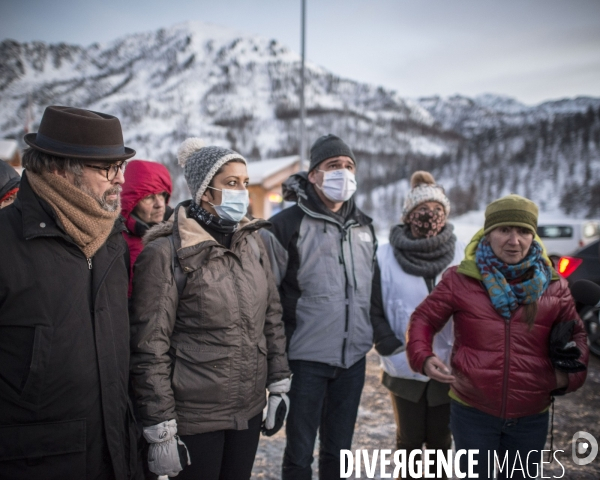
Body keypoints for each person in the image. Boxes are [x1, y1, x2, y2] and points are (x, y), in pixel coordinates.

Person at [129, 138, 291, 480]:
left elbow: (271, 319)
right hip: (195, 416)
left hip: (247, 409)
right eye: (231, 183)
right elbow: (149, 345)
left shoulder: (252, 242)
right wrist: (159, 422)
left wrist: (278, 382)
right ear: (205, 192)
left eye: (245, 183)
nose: (242, 192)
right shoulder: (166, 253)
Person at [0, 106, 139, 479]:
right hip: (34, 459)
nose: (121, 179)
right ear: (60, 169)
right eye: (108, 168)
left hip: (115, 451)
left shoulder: (112, 240)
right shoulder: (5, 240)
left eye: (120, 166)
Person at [406, 194, 589, 479]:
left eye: (524, 231)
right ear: (488, 233)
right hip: (472, 413)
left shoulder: (554, 286)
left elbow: (577, 333)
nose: (514, 240)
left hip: (531, 416)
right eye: (505, 230)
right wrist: (423, 357)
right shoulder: (460, 279)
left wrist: (568, 377)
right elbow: (423, 319)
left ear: (533, 236)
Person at [260, 134, 377, 480]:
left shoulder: (365, 227)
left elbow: (373, 292)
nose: (343, 172)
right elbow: (268, 299)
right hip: (306, 359)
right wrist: (275, 361)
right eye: (333, 166)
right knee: (299, 454)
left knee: (339, 453)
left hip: (353, 360)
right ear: (313, 175)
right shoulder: (285, 226)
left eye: (349, 166)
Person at [370, 171, 463, 479]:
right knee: (408, 443)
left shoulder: (461, 255)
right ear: (408, 215)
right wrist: (393, 350)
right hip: (403, 365)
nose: (429, 216)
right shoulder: (383, 255)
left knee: (441, 444)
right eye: (422, 210)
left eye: (438, 210)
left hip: (449, 367)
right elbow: (373, 310)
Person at [120, 159, 172, 296]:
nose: (159, 204)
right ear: (131, 203)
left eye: (162, 194)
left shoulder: (179, 233)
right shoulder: (117, 244)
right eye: (148, 197)